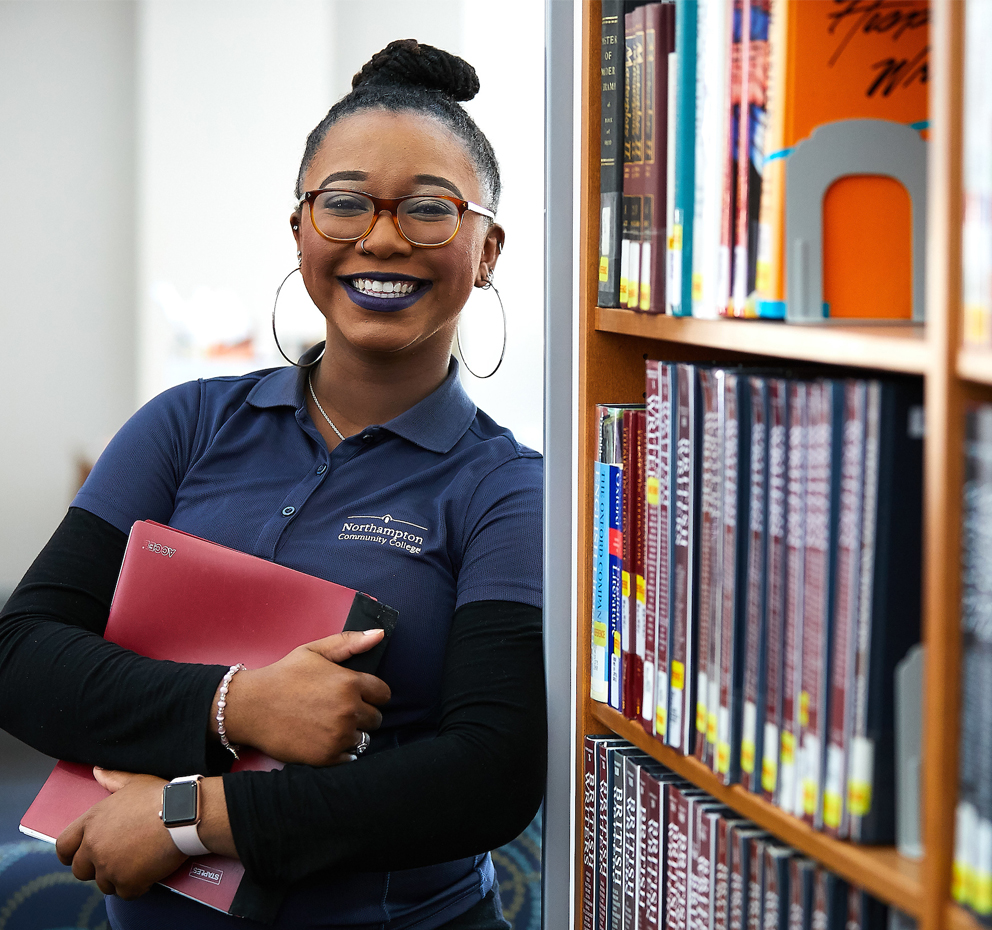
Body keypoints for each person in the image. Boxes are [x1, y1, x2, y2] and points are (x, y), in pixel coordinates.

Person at [0, 39, 545, 930]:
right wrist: (238, 704)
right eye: (344, 204)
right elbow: (20, 655)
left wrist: (191, 820)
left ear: (487, 251)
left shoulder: (507, 490)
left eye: (430, 212)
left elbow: (488, 775)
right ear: (299, 229)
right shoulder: (184, 425)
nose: (380, 237)